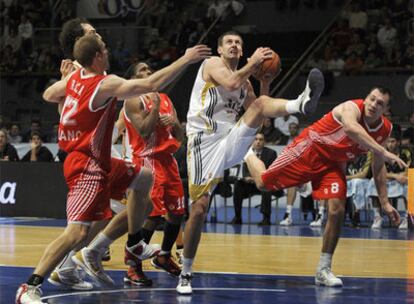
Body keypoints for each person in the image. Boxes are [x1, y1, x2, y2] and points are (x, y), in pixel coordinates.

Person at [15, 34, 211, 303]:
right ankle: (30, 287)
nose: (108, 51)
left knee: (144, 177)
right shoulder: (103, 83)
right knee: (77, 232)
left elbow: (49, 93)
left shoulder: (76, 78)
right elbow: (150, 83)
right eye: (104, 49)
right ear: (97, 56)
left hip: (101, 161)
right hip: (85, 165)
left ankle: (135, 243)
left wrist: (67, 83)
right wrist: (186, 59)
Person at [178, 30, 324, 294]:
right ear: (220, 49)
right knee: (199, 209)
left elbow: (261, 112)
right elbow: (231, 83)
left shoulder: (244, 82)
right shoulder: (212, 65)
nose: (234, 45)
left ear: (242, 51)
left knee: (259, 106)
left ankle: (301, 104)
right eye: (229, 42)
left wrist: (265, 80)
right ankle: (186, 272)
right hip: (204, 142)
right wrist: (255, 62)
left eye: (238, 43)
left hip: (230, 138)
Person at [244, 87, 407, 287]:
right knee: (263, 184)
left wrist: (385, 202)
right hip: (310, 149)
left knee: (337, 210)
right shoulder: (351, 107)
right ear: (366, 98)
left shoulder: (385, 129)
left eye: (380, 103)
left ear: (387, 110)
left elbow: (378, 165)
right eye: (371, 99)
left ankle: (323, 268)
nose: (373, 104)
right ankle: (246, 150)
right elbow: (350, 128)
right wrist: (382, 150)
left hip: (333, 164)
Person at [116, 61, 185, 285]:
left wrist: (175, 122)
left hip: (168, 160)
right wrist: (154, 109)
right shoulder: (133, 99)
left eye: (149, 70)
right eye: (142, 71)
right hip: (146, 160)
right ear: (134, 79)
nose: (148, 73)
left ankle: (164, 256)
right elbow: (144, 132)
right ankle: (132, 266)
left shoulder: (165, 98)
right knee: (152, 216)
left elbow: (180, 136)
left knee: (177, 213)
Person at [231, 132, 278, 225]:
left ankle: (266, 218)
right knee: (238, 185)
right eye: (256, 139)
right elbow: (245, 171)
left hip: (264, 184)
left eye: (261, 139)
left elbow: (271, 171)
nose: (258, 142)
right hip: (251, 185)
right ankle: (237, 217)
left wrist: (256, 178)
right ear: (252, 142)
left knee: (266, 187)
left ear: (264, 142)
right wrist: (245, 178)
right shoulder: (248, 153)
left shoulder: (271, 153)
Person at [369, 130, 412, 230]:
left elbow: (409, 170)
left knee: (411, 182)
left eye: (392, 141)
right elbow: (376, 171)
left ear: (398, 142)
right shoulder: (380, 153)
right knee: (372, 182)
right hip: (388, 179)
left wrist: (402, 176)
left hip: (402, 180)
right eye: (388, 142)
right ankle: (377, 217)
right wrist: (395, 176)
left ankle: (407, 217)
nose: (390, 144)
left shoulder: (406, 152)